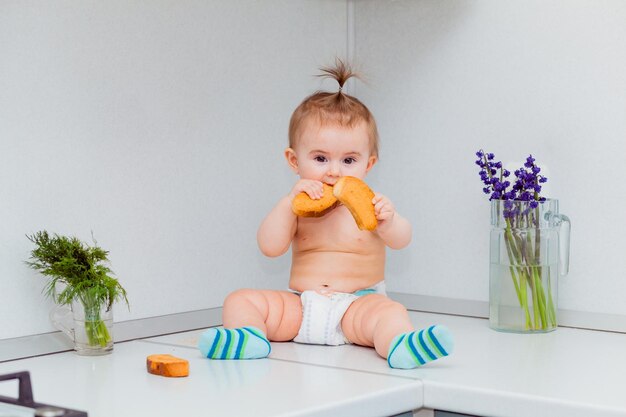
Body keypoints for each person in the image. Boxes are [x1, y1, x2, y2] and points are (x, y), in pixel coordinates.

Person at [198, 60, 453, 369]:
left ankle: (400, 344)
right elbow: (270, 246)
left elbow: (402, 239)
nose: (333, 171)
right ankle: (249, 337)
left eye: (348, 160)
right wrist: (287, 205)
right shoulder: (297, 205)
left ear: (368, 165)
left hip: (356, 305)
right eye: (320, 158)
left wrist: (390, 221)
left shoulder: (370, 205)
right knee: (239, 299)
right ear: (294, 160)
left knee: (389, 313)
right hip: (302, 306)